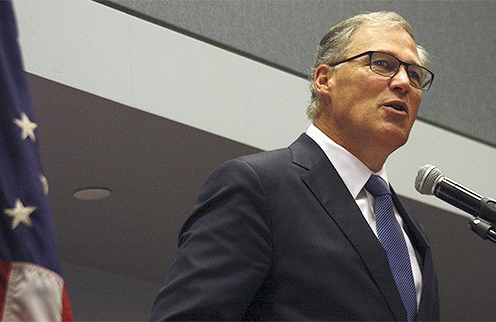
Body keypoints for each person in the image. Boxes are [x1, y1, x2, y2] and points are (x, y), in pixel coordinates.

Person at [151, 11, 439, 321]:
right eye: (382, 64)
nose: (403, 83)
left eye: (415, 75)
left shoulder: (409, 230)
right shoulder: (258, 187)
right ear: (324, 79)